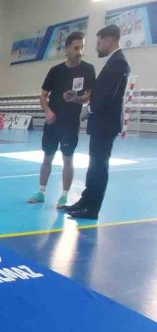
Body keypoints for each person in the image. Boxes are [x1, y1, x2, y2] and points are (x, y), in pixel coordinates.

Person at [64, 25, 130, 220]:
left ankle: (92, 208)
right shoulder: (114, 62)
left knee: (99, 166)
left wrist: (89, 109)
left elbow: (107, 95)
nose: (97, 47)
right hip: (102, 123)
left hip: (105, 123)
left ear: (108, 40)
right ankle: (86, 200)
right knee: (94, 165)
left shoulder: (118, 63)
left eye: (99, 43)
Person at [28, 31, 95, 208]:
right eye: (76, 48)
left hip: (71, 123)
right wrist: (48, 112)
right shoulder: (55, 71)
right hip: (53, 123)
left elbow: (89, 96)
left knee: (68, 158)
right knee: (47, 157)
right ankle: (41, 191)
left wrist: (76, 99)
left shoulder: (88, 69)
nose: (80, 52)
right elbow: (43, 96)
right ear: (66, 49)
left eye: (82, 48)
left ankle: (64, 195)